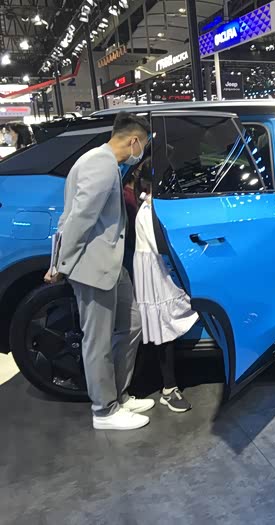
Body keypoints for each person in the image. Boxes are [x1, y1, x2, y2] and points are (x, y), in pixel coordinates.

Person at [45, 112, 152, 431]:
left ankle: (118, 394)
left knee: (131, 324)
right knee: (98, 340)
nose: (141, 153)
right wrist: (60, 264)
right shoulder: (101, 165)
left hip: (111, 264)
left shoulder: (104, 163)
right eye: (143, 145)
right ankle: (104, 410)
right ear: (134, 141)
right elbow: (79, 218)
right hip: (94, 266)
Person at [133, 164, 197, 413]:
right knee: (164, 326)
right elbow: (161, 247)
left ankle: (169, 385)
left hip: (157, 268)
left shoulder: (152, 207)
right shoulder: (149, 211)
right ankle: (169, 389)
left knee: (165, 324)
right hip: (156, 271)